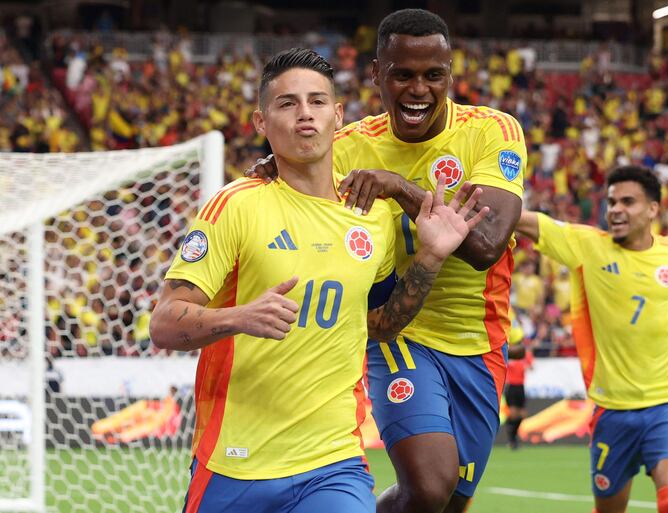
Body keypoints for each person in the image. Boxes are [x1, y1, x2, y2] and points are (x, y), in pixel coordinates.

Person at [149, 48, 488, 513]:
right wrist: (241, 316)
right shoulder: (235, 206)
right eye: (287, 104)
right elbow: (165, 324)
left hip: (333, 464)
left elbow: (381, 324)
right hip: (235, 462)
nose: (305, 114)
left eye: (317, 101)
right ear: (261, 123)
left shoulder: (374, 220)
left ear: (338, 115)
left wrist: (428, 259)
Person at [246, 10, 526, 513]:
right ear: (377, 74)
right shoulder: (347, 146)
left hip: (480, 345)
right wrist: (277, 162)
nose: (418, 89)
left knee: (447, 502)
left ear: (450, 74)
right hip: (398, 330)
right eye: (402, 74)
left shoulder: (492, 131)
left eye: (432, 75)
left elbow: (485, 245)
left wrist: (399, 188)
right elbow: (287, 180)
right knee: (430, 485)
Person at [515, 165, 668, 513]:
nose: (615, 209)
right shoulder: (585, 245)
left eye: (627, 202)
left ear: (652, 210)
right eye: (612, 202)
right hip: (611, 411)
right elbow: (524, 219)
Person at [503, 320, 533, 449]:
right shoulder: (509, 353)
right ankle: (512, 440)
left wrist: (527, 366)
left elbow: (531, 367)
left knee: (522, 414)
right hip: (512, 387)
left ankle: (513, 437)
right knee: (514, 413)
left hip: (521, 386)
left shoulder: (525, 355)